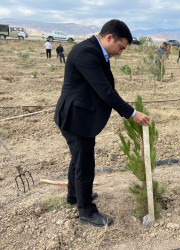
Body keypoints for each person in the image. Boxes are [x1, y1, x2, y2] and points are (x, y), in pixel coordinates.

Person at [54, 19, 150, 227]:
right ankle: (86, 210)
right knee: (84, 163)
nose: (121, 53)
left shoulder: (96, 51)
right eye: (121, 47)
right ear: (109, 38)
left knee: (78, 158)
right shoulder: (86, 53)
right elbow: (105, 90)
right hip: (75, 117)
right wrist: (132, 113)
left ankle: (75, 196)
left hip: (81, 115)